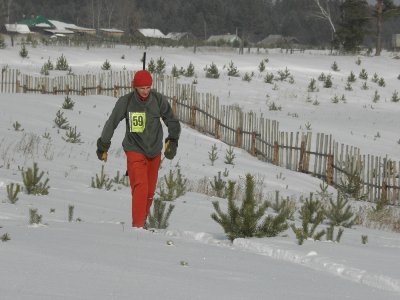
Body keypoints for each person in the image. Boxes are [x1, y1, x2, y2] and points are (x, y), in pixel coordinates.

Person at [96, 70, 181, 228]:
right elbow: (112, 123)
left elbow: (172, 120)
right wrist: (103, 146)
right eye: (142, 88)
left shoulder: (158, 100)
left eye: (148, 87)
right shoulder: (126, 102)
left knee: (149, 192)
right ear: (135, 86)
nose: (145, 91)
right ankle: (138, 227)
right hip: (134, 148)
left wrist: (173, 140)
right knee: (141, 186)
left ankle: (142, 221)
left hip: (154, 151)